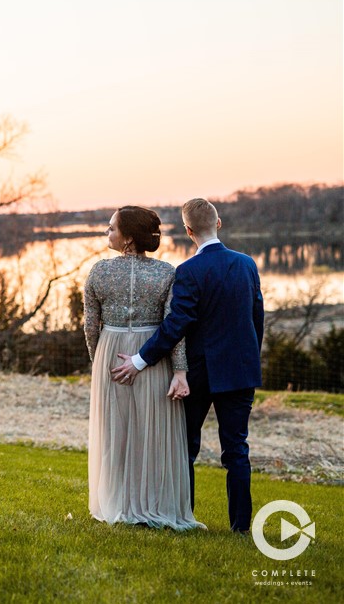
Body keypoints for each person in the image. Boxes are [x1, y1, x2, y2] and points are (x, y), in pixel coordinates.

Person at [111, 198, 263, 533]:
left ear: (188, 230)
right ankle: (240, 528)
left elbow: (175, 325)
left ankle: (186, 517)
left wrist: (138, 360)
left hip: (200, 373)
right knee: (237, 450)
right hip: (240, 371)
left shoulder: (188, 271)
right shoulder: (247, 265)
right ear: (218, 223)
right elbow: (256, 319)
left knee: (186, 448)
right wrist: (250, 357)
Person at [84, 205, 203, 531]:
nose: (107, 233)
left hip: (112, 351)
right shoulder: (167, 272)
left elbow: (91, 327)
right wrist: (180, 370)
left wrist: (99, 363)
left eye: (111, 228)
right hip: (153, 353)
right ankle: (155, 504)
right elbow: (173, 329)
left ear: (127, 238)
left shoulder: (99, 272)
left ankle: (119, 502)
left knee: (116, 434)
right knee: (152, 432)